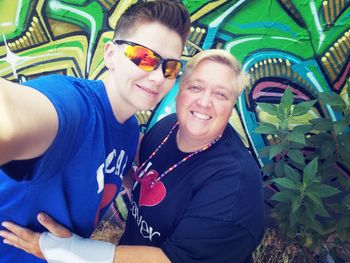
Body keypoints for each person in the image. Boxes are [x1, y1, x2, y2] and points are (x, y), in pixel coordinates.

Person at [0, 49, 265, 263]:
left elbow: (172, 260)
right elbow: (144, 165)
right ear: (180, 90)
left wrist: (68, 250)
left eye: (221, 94)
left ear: (233, 105)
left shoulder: (234, 186)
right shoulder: (168, 127)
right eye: (196, 87)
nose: (205, 102)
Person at [0, 1, 190, 262]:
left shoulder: (129, 130)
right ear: (110, 54)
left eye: (170, 67)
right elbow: (12, 118)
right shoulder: (74, 106)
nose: (158, 77)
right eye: (144, 57)